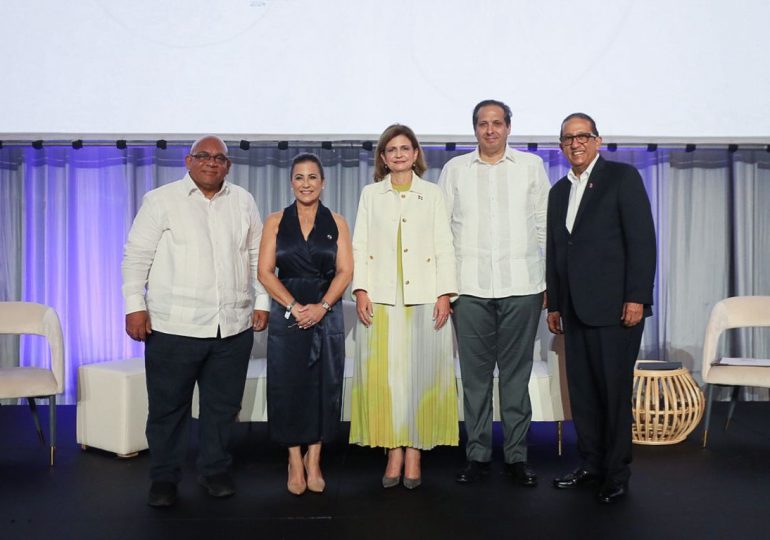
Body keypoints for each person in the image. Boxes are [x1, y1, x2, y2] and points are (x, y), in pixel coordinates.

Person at [122, 135, 270, 508]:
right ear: (188, 161)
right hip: (174, 326)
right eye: (203, 156)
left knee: (222, 407)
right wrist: (133, 305)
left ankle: (215, 470)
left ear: (228, 165)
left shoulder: (243, 201)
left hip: (231, 326)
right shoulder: (161, 200)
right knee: (168, 408)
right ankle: (164, 478)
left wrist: (263, 300)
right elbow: (136, 256)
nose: (211, 163)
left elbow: (256, 256)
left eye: (219, 158)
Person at [438, 99, 550, 487]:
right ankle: (478, 455)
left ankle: (517, 456)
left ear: (508, 127)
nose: (490, 130)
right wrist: (446, 288)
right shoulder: (455, 170)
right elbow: (442, 234)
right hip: (468, 290)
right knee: (475, 378)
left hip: (523, 286)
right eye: (483, 124)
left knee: (517, 377)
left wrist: (550, 281)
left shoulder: (532, 168)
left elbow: (544, 226)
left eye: (497, 123)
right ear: (474, 129)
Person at [546, 113, 656, 504]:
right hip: (573, 310)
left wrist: (637, 297)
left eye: (583, 136)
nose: (575, 143)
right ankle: (591, 464)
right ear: (561, 146)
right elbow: (557, 251)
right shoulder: (558, 191)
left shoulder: (622, 178)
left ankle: (616, 472)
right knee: (584, 394)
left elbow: (642, 241)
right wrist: (555, 303)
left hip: (616, 309)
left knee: (612, 393)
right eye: (567, 138)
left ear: (598, 140)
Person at [349, 124, 458, 490]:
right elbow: (359, 245)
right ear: (383, 157)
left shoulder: (432, 194)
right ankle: (393, 449)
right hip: (381, 298)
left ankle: (415, 451)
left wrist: (445, 293)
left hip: (426, 295)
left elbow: (445, 245)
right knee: (388, 379)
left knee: (421, 377)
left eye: (404, 148)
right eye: (391, 149)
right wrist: (360, 288)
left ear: (415, 154)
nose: (398, 154)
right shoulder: (371, 194)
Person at [257, 153, 353, 496]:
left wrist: (323, 306)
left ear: (323, 182)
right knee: (289, 386)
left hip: (327, 314)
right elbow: (265, 272)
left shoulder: (338, 222)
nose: (306, 183)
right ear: (291, 182)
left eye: (313, 177)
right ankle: (294, 460)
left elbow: (345, 271)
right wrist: (296, 306)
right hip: (288, 312)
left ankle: (315, 460)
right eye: (299, 177)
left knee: (323, 387)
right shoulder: (274, 221)